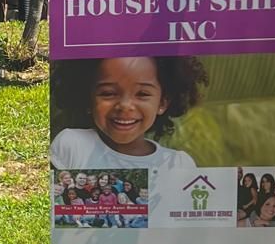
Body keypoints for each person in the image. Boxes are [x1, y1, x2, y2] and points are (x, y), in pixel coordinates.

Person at [50, 56, 206, 178]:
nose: (125, 105)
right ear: (88, 99)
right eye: (108, 93)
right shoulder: (72, 145)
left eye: (142, 94)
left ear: (162, 103)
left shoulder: (178, 164)